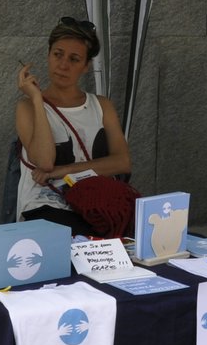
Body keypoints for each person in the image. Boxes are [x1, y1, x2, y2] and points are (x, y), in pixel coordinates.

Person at [13, 17, 132, 235]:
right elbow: (45, 162)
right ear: (48, 56)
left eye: (74, 59)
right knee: (77, 244)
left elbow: (122, 162)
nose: (63, 65)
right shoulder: (27, 107)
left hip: (96, 205)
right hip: (46, 206)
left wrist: (65, 170)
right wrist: (38, 100)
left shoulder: (101, 105)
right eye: (58, 54)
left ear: (86, 66)